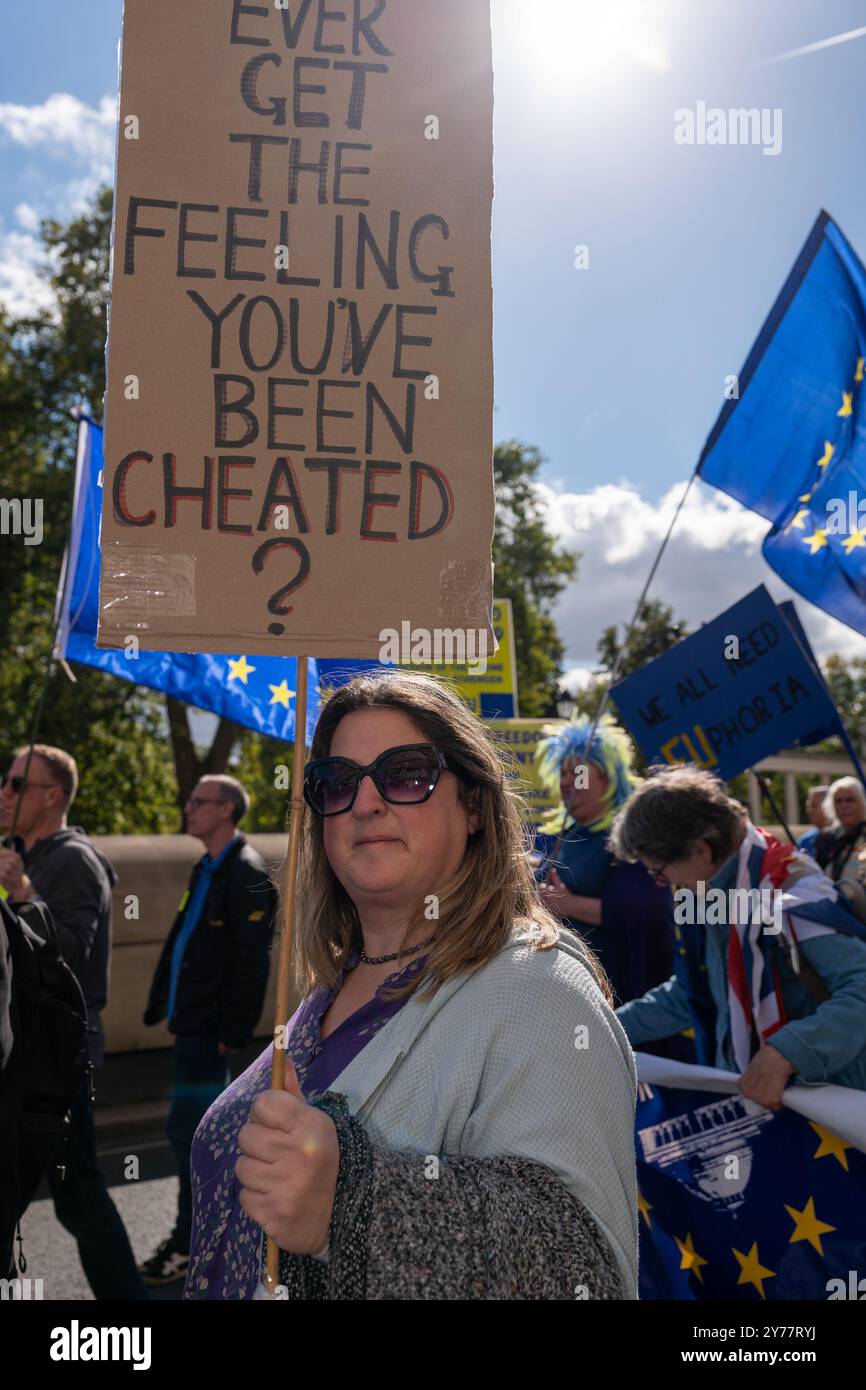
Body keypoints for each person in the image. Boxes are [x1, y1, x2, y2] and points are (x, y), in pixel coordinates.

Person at [184, 671, 638, 1301]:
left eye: (406, 774)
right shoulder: (330, 987)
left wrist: (351, 1201)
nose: (365, 804)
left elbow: (581, 1271)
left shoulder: (540, 987)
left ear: (475, 805)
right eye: (336, 783)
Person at [610, 766, 866, 1105]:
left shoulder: (793, 892)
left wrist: (787, 1052)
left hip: (828, 1113)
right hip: (765, 1105)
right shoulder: (711, 893)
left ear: (702, 850)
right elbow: (691, 993)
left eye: (659, 870)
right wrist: (608, 1028)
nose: (661, 883)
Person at [0, 743, 148, 1300]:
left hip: (56, 1056)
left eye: (17, 783)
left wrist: (23, 893)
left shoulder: (72, 861)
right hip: (25, 1048)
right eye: (6, 780)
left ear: (53, 796)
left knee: (79, 1193)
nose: (4, 791)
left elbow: (72, 955)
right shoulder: (26, 853)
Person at [139, 774, 276, 1286]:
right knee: (200, 1136)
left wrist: (232, 1029)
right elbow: (185, 939)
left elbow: (252, 960)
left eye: (199, 801)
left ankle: (192, 1243)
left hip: (210, 1032)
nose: (188, 807)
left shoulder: (244, 872)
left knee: (194, 1136)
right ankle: (210, 1237)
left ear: (225, 811)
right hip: (190, 1024)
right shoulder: (207, 868)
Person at [534, 718, 679, 1008]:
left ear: (608, 778)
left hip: (620, 987)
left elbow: (647, 910)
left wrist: (569, 905)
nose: (566, 782)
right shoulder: (563, 834)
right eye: (561, 774)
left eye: (577, 774)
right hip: (564, 988)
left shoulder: (631, 835)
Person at [814, 776, 866, 922]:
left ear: (862, 803)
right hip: (832, 916)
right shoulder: (825, 839)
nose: (844, 806)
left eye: (850, 800)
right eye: (838, 801)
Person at [796, 784, 831, 857]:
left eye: (814, 806)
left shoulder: (840, 838)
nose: (810, 811)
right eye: (808, 806)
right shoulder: (804, 841)